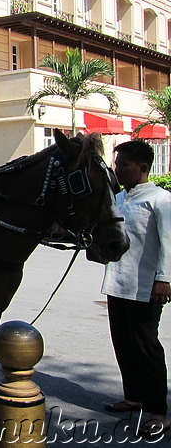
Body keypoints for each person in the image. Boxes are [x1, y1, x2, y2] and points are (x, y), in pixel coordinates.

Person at [102, 140, 171, 439]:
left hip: (146, 287)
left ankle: (158, 411)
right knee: (123, 343)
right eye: (117, 164)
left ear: (142, 168)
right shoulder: (118, 199)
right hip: (117, 283)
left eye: (123, 165)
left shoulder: (161, 200)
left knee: (146, 348)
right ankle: (134, 396)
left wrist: (164, 278)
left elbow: (169, 241)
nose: (118, 169)